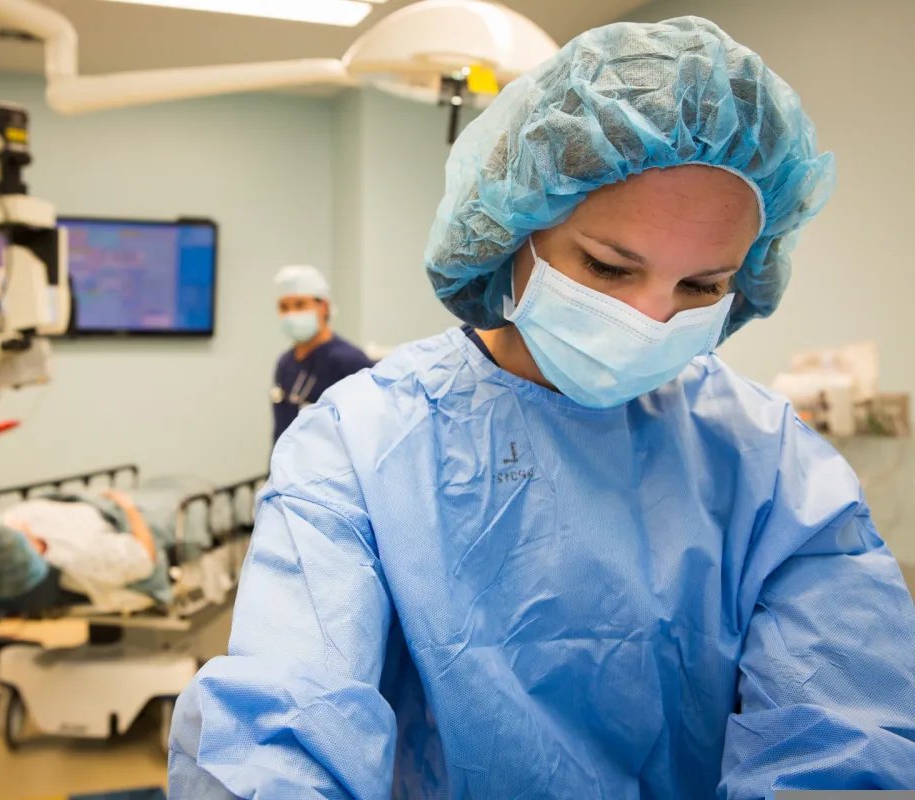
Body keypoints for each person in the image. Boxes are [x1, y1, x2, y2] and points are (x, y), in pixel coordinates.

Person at [168, 17, 915, 800]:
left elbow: (845, 739)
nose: (650, 319)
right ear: (515, 232)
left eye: (701, 287)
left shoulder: (772, 468)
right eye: (608, 266)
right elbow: (281, 733)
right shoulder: (360, 443)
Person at [0, 489, 162, 611]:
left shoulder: (2, 528)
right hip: (127, 515)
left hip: (98, 505)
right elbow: (144, 557)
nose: (13, 523)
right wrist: (129, 508)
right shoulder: (81, 560)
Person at [271, 265, 373, 444]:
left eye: (300, 304)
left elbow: (368, 434)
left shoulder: (350, 363)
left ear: (323, 307)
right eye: (284, 307)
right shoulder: (285, 363)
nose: (291, 313)